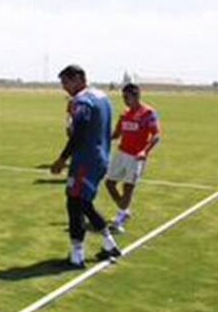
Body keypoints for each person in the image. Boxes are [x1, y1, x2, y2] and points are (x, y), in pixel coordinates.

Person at [49, 64, 122, 267]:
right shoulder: (102, 96)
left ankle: (77, 255)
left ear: (78, 79)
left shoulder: (82, 101)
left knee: (74, 204)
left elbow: (79, 134)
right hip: (100, 157)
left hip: (85, 160)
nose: (64, 88)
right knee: (83, 203)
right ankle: (109, 244)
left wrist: (62, 159)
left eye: (66, 82)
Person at [105, 83, 162, 232]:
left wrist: (145, 151)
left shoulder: (148, 113)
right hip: (121, 153)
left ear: (136, 96)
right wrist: (101, 138)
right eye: (123, 97)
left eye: (127, 97)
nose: (124, 100)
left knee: (128, 188)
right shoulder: (125, 114)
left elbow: (156, 135)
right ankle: (124, 210)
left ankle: (120, 219)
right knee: (109, 183)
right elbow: (116, 134)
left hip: (136, 157)